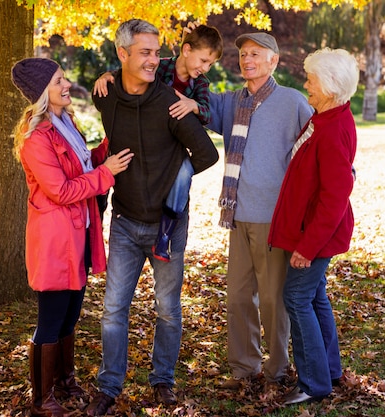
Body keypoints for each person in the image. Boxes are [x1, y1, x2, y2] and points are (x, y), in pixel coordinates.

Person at [85, 19, 219, 416]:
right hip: (125, 220)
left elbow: (208, 155)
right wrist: (106, 76)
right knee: (113, 309)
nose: (153, 59)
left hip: (167, 225)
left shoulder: (171, 102)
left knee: (167, 308)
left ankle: (163, 381)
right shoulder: (106, 96)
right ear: (122, 54)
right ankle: (109, 385)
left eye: (155, 52)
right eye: (144, 52)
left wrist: (172, 173)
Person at [10, 57, 133, 417]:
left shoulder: (66, 124)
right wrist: (106, 173)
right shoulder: (36, 138)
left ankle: (64, 380)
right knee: (50, 318)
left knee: (70, 315)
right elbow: (60, 190)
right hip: (54, 240)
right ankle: (41, 399)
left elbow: (82, 167)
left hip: (79, 232)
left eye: (64, 78)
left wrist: (106, 149)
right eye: (59, 81)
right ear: (42, 93)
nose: (67, 85)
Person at [206, 33, 314, 391]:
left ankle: (277, 370)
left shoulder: (293, 102)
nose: (246, 59)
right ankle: (243, 369)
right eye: (242, 54)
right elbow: (189, 91)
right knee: (238, 297)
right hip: (237, 213)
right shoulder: (232, 102)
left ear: (274, 62)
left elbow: (318, 149)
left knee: (271, 299)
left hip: (274, 218)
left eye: (255, 54)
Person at [268, 47, 359, 405]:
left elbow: (335, 197)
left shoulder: (334, 127)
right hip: (308, 231)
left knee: (297, 297)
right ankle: (329, 370)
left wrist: (307, 247)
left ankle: (313, 383)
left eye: (311, 80)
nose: (306, 84)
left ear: (332, 86)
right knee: (315, 296)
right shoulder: (324, 115)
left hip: (318, 236)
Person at [93, 24, 223, 262]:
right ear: (186, 50)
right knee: (110, 162)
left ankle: (165, 232)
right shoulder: (160, 65)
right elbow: (130, 70)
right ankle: (96, 217)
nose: (205, 68)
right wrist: (106, 75)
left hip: (175, 144)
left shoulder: (200, 84)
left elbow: (206, 113)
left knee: (182, 175)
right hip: (145, 134)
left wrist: (193, 106)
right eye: (203, 60)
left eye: (210, 64)